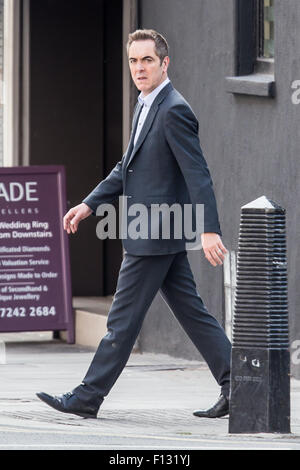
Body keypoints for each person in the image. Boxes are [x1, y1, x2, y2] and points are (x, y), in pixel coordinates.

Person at [37, 29, 231, 419]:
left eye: (147, 60)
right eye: (133, 61)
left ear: (165, 63)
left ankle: (87, 397)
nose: (139, 68)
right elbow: (127, 166)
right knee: (193, 313)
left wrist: (210, 228)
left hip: (155, 233)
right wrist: (91, 204)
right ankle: (239, 386)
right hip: (157, 232)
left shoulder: (174, 109)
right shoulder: (145, 104)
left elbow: (199, 174)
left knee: (121, 320)